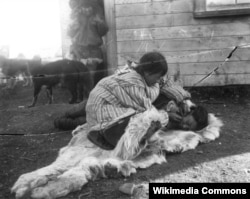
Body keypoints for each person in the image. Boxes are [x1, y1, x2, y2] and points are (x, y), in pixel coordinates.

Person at [55, 51, 191, 149]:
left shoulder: (150, 77)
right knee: (91, 121)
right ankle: (61, 121)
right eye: (157, 76)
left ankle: (67, 117)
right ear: (148, 73)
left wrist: (183, 98)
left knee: (87, 118)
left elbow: (165, 83)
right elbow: (145, 109)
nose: (159, 79)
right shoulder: (134, 82)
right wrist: (166, 115)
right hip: (102, 102)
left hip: (108, 100)